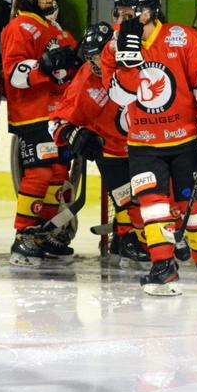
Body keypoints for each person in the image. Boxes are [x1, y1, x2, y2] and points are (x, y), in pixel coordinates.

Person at [100, 0, 197, 295]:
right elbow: (119, 98)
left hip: (185, 141)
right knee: (152, 205)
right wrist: (128, 62)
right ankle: (163, 267)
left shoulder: (183, 38)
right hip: (143, 144)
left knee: (194, 206)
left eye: (129, 13)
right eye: (120, 13)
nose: (122, 20)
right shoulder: (113, 48)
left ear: (148, 12)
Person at [49, 22, 149, 269]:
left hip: (144, 145)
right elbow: (57, 123)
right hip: (111, 150)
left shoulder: (136, 65)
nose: (95, 63)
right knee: (126, 200)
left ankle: (127, 241)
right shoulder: (87, 79)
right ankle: (128, 241)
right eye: (90, 57)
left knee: (149, 198)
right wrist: (74, 135)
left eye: (99, 56)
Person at [0, 0, 80, 268]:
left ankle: (43, 235)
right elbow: (14, 74)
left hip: (58, 115)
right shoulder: (19, 27)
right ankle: (24, 235)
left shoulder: (55, 28)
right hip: (32, 113)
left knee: (58, 174)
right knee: (40, 174)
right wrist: (44, 65)